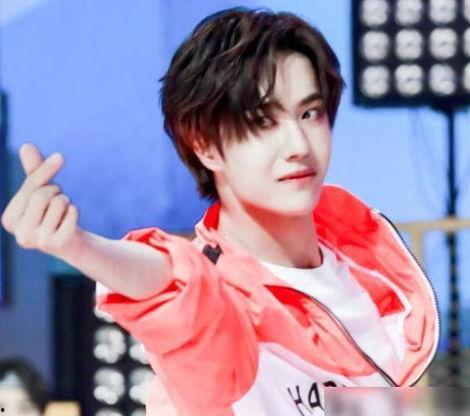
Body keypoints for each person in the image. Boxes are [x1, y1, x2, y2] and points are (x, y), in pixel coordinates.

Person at [1, 7, 439, 416]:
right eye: (263, 122)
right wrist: (80, 246)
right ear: (205, 144)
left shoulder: (369, 265)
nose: (299, 145)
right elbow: (173, 283)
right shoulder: (220, 303)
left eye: (310, 113)